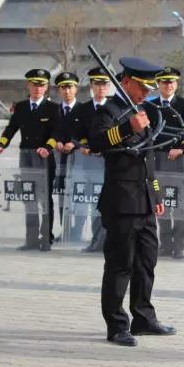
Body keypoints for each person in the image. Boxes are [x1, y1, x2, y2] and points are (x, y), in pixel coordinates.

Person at [89, 57, 175, 347]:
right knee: (119, 265)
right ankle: (116, 325)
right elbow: (96, 142)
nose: (147, 93)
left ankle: (143, 318)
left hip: (145, 202)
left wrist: (156, 193)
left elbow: (148, 158)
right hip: (121, 202)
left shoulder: (142, 111)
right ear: (125, 82)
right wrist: (127, 127)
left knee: (146, 263)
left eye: (149, 88)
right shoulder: (108, 111)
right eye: (142, 87)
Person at [0, 68, 60, 251]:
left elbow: (57, 132)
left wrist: (47, 147)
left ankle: (45, 239)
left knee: (44, 199)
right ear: (28, 85)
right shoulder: (21, 107)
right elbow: (11, 128)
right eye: (34, 84)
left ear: (46, 87)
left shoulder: (53, 108)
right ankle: (30, 240)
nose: (38, 88)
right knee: (29, 197)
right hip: (26, 156)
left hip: (44, 156)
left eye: (42, 85)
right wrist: (1, 145)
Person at [151, 66, 184, 259]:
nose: (168, 85)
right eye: (164, 82)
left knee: (180, 205)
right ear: (158, 84)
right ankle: (165, 243)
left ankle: (178, 246)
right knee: (161, 203)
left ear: (177, 84)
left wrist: (182, 149)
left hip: (179, 161)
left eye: (171, 82)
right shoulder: (151, 106)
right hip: (158, 161)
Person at [78, 67, 112, 253]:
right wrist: (84, 145)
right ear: (91, 86)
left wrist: (105, 148)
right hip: (90, 162)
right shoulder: (84, 109)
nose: (101, 88)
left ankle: (107, 241)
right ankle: (96, 241)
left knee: (108, 204)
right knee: (94, 203)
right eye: (97, 84)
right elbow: (79, 133)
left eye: (105, 84)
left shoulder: (114, 107)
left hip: (109, 163)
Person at [54, 71, 86, 241]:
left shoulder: (84, 110)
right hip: (60, 162)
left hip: (80, 162)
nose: (67, 91)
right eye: (63, 88)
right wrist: (56, 142)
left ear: (76, 89)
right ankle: (65, 230)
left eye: (70, 87)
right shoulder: (55, 110)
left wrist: (75, 143)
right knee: (61, 197)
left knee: (79, 197)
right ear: (59, 90)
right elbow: (50, 133)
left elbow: (88, 133)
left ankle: (77, 232)